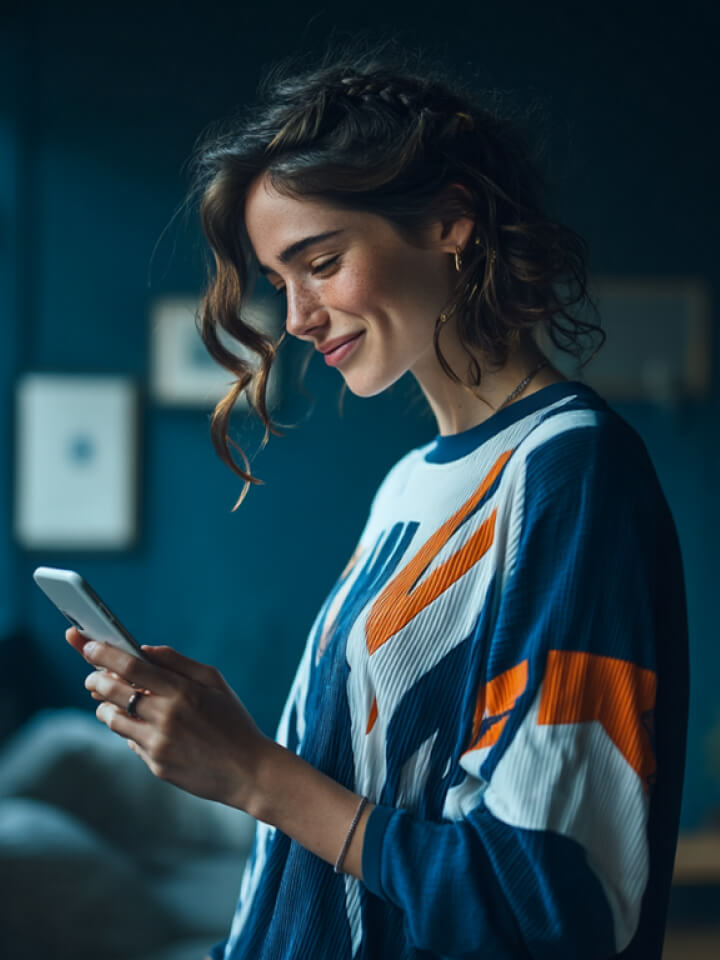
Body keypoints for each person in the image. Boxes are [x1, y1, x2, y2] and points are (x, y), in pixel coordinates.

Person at [66, 48, 689, 959]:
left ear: (449, 222)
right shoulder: (411, 484)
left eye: (319, 262)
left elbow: (551, 907)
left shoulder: (570, 475)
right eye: (280, 283)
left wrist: (252, 773)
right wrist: (219, 733)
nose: (301, 317)